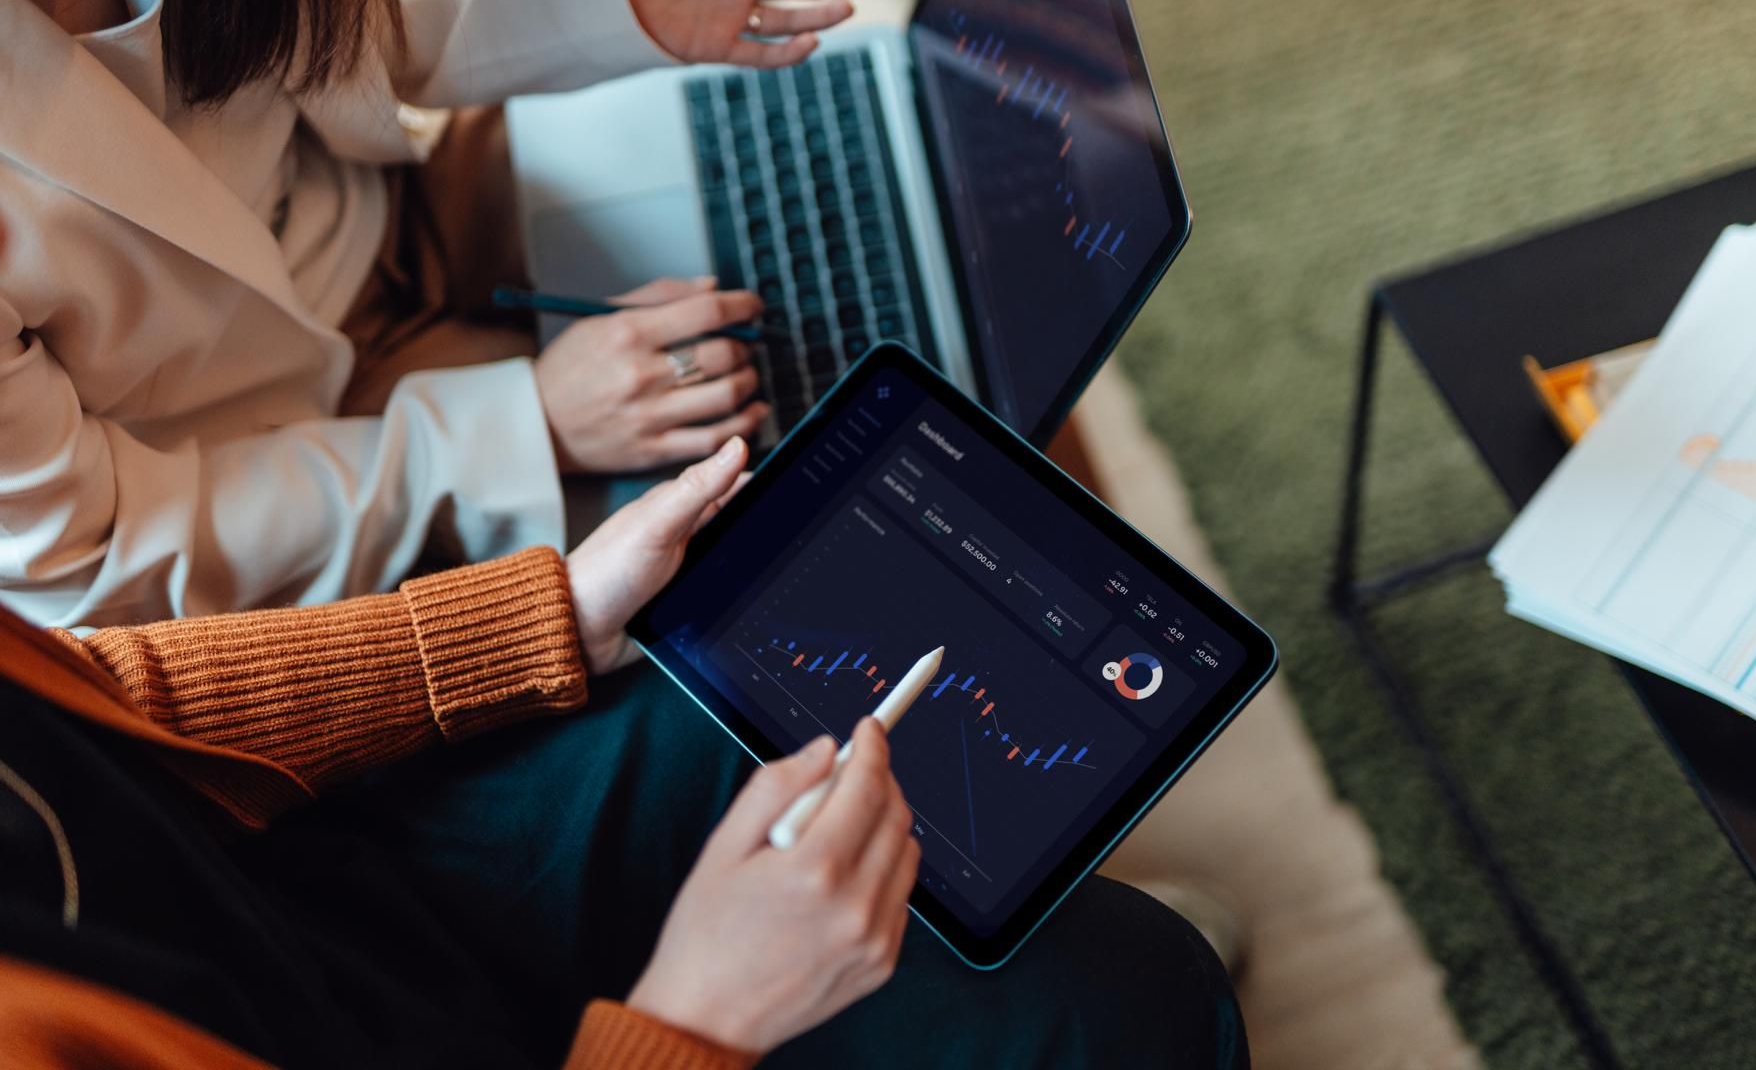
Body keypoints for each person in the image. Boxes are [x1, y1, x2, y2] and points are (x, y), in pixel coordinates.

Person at [0, 435, 1248, 1067]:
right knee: (1129, 999)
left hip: (316, 906)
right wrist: (695, 1020)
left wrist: (533, 620)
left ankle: (1028, 900)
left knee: (725, 684)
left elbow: (88, 699)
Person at [0, 0, 902, 629]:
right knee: (799, 550)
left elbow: (342, 7)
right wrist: (528, 428)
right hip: (302, 459)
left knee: (844, 203)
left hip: (389, 192)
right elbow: (90, 558)